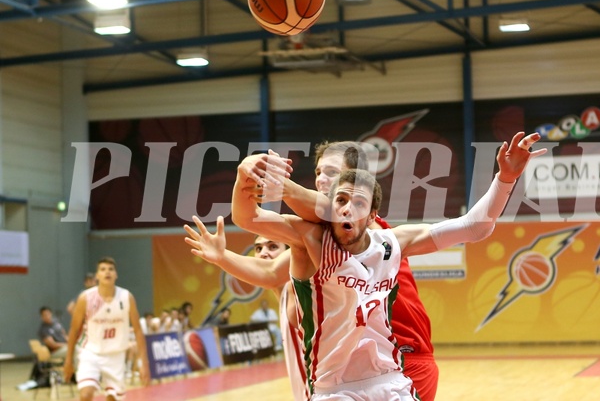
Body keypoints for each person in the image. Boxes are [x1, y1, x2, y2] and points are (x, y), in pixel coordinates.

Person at [231, 131, 542, 399]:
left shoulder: (392, 241)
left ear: (373, 213)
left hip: (390, 377)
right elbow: (247, 217)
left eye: (358, 203)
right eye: (337, 198)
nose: (345, 208)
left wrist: (506, 179)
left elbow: (475, 227)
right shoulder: (308, 235)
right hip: (333, 385)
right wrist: (245, 172)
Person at [184, 226, 307, 400]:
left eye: (273, 247)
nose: (263, 253)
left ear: (289, 254)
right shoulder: (285, 296)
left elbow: (272, 270)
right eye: (258, 248)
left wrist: (221, 256)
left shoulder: (301, 289)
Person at [63, 257, 150, 401]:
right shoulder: (86, 298)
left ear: (116, 274)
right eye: (102, 269)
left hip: (115, 355)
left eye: (111, 269)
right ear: (97, 275)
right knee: (86, 394)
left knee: (113, 398)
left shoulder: (126, 297)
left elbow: (138, 331)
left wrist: (144, 364)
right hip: (90, 352)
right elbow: (73, 330)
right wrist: (68, 361)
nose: (107, 272)